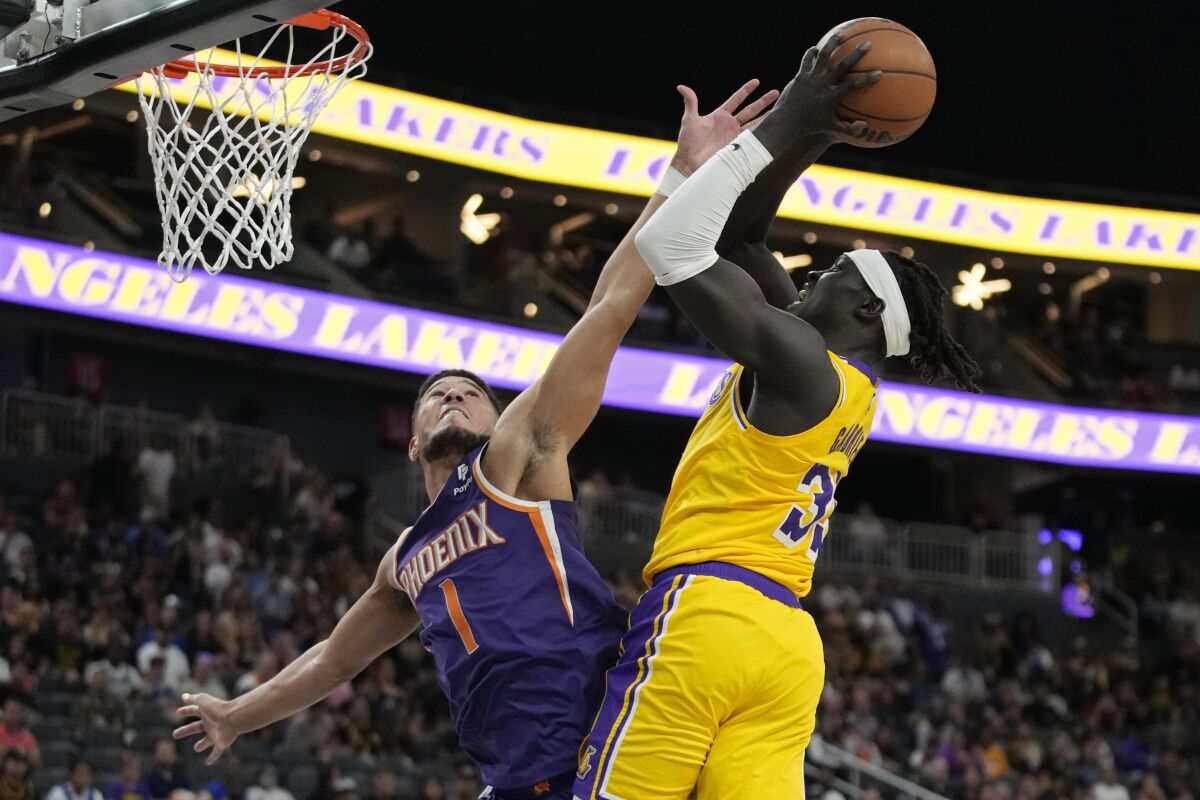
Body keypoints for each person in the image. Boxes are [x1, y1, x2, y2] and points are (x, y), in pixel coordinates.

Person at [172, 81, 779, 800]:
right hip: (517, 782)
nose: (454, 396)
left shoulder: (520, 457)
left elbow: (610, 305)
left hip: (604, 747)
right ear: (410, 439)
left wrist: (681, 175)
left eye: (472, 394)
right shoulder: (404, 562)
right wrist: (237, 715)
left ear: (498, 419)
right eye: (436, 396)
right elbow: (334, 661)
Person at [575, 34, 980, 800]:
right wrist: (820, 133)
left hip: (709, 614)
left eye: (829, 274)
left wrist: (789, 116)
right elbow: (742, 236)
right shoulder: (842, 378)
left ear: (862, 308)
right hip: (786, 643)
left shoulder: (799, 357)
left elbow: (672, 243)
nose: (809, 275)